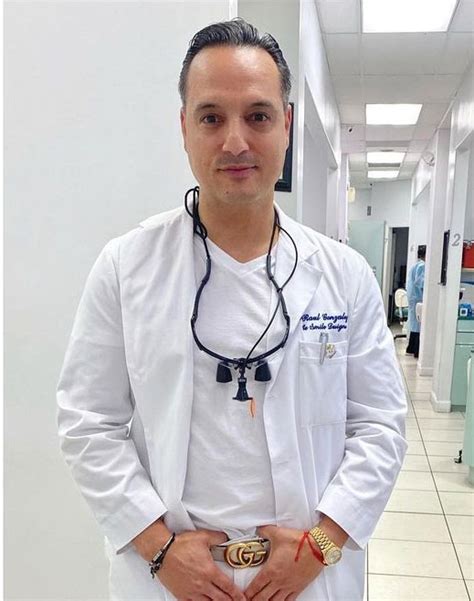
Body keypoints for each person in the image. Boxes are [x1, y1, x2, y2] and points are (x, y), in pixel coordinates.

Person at [57, 18, 407, 601]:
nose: (236, 142)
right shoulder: (126, 268)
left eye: (258, 116)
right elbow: (88, 423)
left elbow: (380, 426)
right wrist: (159, 548)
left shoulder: (344, 276)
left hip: (307, 577)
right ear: (184, 128)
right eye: (212, 117)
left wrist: (321, 546)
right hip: (171, 579)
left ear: (287, 125)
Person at [406, 245, 426, 359]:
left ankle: (411, 347)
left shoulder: (416, 265)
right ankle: (415, 349)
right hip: (418, 297)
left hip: (413, 296)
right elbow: (420, 282)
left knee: (414, 322)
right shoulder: (422, 266)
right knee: (418, 323)